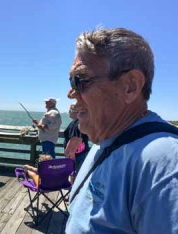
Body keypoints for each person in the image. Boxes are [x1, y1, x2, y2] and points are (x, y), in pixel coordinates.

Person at [65, 28, 178, 233]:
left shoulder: (164, 162)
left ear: (130, 87)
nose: (71, 93)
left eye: (80, 81)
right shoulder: (108, 139)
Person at [63, 104, 89, 168]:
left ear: (76, 111)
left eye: (70, 110)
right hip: (83, 153)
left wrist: (68, 155)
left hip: (77, 156)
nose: (69, 112)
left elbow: (75, 139)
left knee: (75, 175)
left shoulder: (76, 123)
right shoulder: (82, 122)